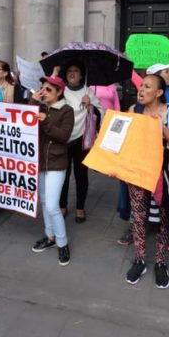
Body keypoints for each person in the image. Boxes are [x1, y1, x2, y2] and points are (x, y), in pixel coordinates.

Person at [124, 74, 169, 289]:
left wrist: (164, 129)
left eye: (147, 86)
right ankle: (140, 259)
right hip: (138, 172)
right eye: (141, 85)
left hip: (164, 174)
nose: (141, 89)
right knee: (139, 216)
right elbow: (122, 141)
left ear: (159, 93)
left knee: (163, 217)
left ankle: (160, 262)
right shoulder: (134, 110)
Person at [29, 76, 74, 266]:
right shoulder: (40, 107)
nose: (44, 92)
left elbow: (63, 136)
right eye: (42, 89)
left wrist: (46, 121)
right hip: (40, 162)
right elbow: (23, 116)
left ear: (59, 92)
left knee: (53, 206)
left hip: (56, 163)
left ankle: (62, 243)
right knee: (44, 201)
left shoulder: (66, 110)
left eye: (48, 90)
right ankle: (50, 237)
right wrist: (33, 101)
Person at [58, 61, 103, 223]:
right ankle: (62, 205)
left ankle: (80, 208)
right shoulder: (61, 90)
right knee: (62, 175)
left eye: (76, 70)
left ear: (81, 75)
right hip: (63, 138)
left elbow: (100, 114)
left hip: (82, 140)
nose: (72, 73)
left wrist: (91, 105)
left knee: (81, 175)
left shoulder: (88, 92)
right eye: (69, 70)